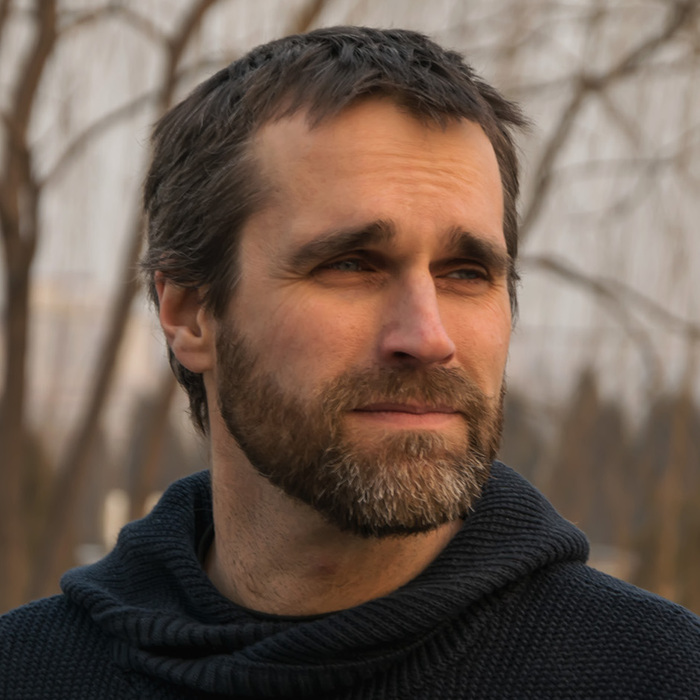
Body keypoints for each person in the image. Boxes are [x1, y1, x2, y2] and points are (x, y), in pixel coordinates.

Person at [1, 25, 699, 700]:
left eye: (465, 273)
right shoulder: (25, 672)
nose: (427, 337)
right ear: (188, 313)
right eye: (351, 264)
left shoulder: (661, 676)